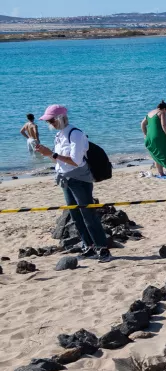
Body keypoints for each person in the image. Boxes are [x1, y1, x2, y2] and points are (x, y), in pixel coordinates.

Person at [32, 105, 111, 261]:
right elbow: (59, 160)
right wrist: (47, 153)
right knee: (75, 215)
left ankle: (103, 249)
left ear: (61, 118)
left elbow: (75, 161)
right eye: (48, 121)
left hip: (80, 179)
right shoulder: (60, 135)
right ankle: (88, 246)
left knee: (88, 214)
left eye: (51, 120)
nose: (50, 123)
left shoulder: (75, 134)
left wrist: (52, 154)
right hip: (66, 179)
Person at [141, 101, 166, 177]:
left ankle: (160, 173)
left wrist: (145, 134)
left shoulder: (149, 113)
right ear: (164, 109)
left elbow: (142, 124)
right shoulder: (161, 112)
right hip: (158, 136)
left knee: (157, 155)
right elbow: (164, 125)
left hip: (149, 137)